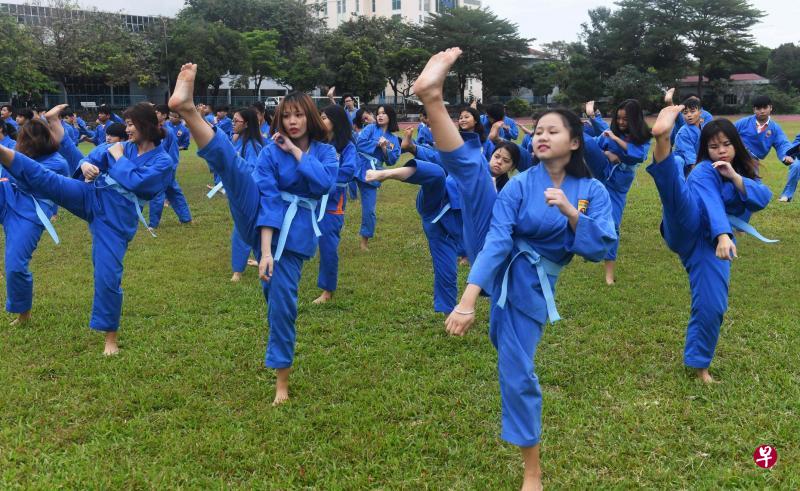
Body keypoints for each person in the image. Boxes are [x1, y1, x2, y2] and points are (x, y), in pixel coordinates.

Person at [413, 48, 616, 491]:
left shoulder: (591, 190)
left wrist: (571, 213)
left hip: (528, 280)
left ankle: (531, 470)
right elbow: (498, 240)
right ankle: (431, 98)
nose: (541, 136)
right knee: (470, 171)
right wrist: (466, 302)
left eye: (553, 130)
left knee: (514, 363)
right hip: (495, 244)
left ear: (575, 141)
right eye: (538, 130)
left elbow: (603, 245)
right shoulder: (521, 184)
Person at [169, 63, 338, 405]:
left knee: (280, 304)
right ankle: (187, 109)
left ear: (310, 118)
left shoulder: (325, 152)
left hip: (296, 237)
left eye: (298, 115)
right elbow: (270, 201)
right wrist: (263, 252)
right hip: (260, 221)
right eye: (286, 115)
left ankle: (282, 382)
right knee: (233, 168)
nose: (291, 122)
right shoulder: (270, 153)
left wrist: (295, 151)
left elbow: (323, 185)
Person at [0, 103, 175, 355]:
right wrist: (85, 166)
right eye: (126, 124)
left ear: (146, 125)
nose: (126, 130)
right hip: (90, 194)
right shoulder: (121, 146)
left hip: (115, 218)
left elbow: (137, 182)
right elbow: (89, 158)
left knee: (107, 275)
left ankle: (110, 338)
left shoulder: (162, 160)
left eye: (129, 124)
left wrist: (117, 157)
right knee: (45, 178)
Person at [647, 105, 774, 383]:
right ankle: (662, 139)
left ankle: (699, 365)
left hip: (709, 246)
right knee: (675, 192)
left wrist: (734, 177)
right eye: (714, 146)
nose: (721, 150)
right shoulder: (703, 169)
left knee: (712, 304)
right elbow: (712, 203)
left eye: (727, 144)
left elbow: (763, 197)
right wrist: (723, 234)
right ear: (705, 149)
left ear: (736, 145)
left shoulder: (742, 169)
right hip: (690, 225)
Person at [1, 116, 69, 326]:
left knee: (14, 265)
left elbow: (32, 177)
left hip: (31, 210)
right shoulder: (16, 154)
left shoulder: (57, 162)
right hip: (7, 196)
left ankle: (23, 313)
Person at [583, 99, 652, 285]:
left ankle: (609, 275)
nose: (621, 123)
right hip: (601, 173)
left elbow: (638, 155)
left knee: (612, 226)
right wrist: (606, 153)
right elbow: (596, 144)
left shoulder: (644, 137)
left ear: (635, 119)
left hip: (618, 185)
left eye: (626, 119)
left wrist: (616, 146)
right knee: (586, 141)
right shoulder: (611, 132)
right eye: (619, 118)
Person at [313, 104, 357, 304]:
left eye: (324, 117)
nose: (321, 121)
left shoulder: (347, 147)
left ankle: (327, 289)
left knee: (328, 247)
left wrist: (322, 175)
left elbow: (348, 172)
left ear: (336, 121)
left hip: (332, 205)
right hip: (309, 201)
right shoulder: (316, 144)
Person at [731, 95, 795, 201]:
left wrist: (786, 155)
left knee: (754, 182)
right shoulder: (743, 123)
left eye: (765, 108)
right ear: (754, 109)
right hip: (736, 156)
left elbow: (782, 144)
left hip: (753, 161)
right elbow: (728, 132)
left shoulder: (775, 128)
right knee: (729, 178)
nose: (762, 111)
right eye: (758, 108)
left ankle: (760, 197)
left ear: (771, 108)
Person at [354, 105, 400, 251]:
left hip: (373, 172)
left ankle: (364, 241)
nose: (380, 116)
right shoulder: (370, 129)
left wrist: (385, 148)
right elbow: (359, 143)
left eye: (384, 114)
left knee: (369, 210)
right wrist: (376, 144)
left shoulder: (393, 139)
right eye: (378, 113)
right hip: (357, 165)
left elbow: (392, 161)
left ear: (390, 117)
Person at [229, 108, 264, 282]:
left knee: (241, 231)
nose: (233, 123)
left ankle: (238, 271)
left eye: (236, 121)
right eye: (233, 120)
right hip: (240, 192)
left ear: (247, 124)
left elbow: (252, 170)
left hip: (250, 194)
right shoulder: (240, 141)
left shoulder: (253, 145)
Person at [147, 104, 193, 229]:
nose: (154, 115)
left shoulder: (169, 132)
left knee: (157, 194)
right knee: (174, 192)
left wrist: (170, 168)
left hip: (165, 169)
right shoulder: (151, 129)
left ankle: (153, 224)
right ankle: (186, 218)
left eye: (157, 112)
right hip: (155, 168)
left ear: (164, 115)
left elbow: (173, 153)